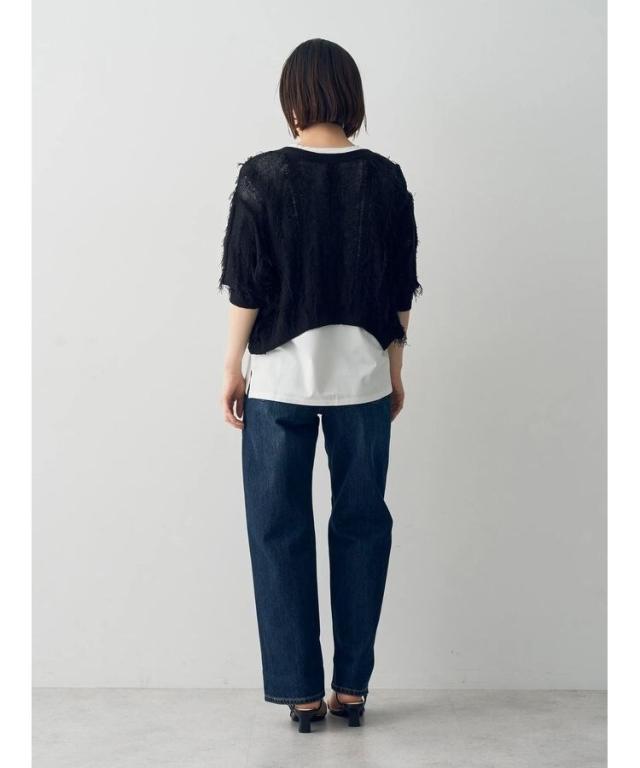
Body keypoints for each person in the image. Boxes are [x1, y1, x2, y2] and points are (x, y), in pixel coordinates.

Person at [219, 38, 421, 733]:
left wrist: (231, 364)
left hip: (279, 380)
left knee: (278, 529)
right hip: (362, 379)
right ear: (351, 97)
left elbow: (247, 285)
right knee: (362, 526)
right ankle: (353, 689)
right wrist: (396, 368)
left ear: (293, 99)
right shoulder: (385, 179)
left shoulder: (263, 175)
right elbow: (399, 287)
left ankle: (302, 695)